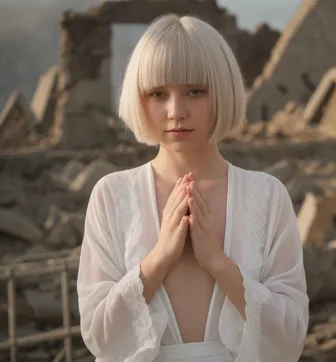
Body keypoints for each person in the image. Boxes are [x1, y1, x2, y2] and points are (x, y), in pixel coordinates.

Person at [77, 13, 309, 362]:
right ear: (139, 99)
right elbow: (99, 336)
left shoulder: (267, 196)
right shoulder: (112, 195)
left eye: (195, 91)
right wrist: (159, 258)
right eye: (158, 93)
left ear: (222, 90)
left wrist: (217, 262)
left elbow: (291, 339)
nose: (175, 111)